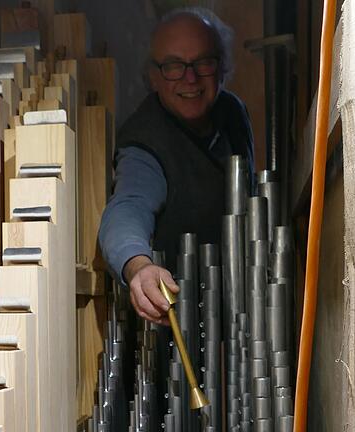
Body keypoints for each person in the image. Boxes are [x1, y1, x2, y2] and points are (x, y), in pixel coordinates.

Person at [98, 7, 254, 325]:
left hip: (241, 320)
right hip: (181, 324)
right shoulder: (145, 140)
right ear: (153, 77)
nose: (190, 77)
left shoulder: (232, 112)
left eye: (204, 62)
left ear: (222, 67)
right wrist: (139, 267)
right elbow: (128, 206)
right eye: (173, 66)